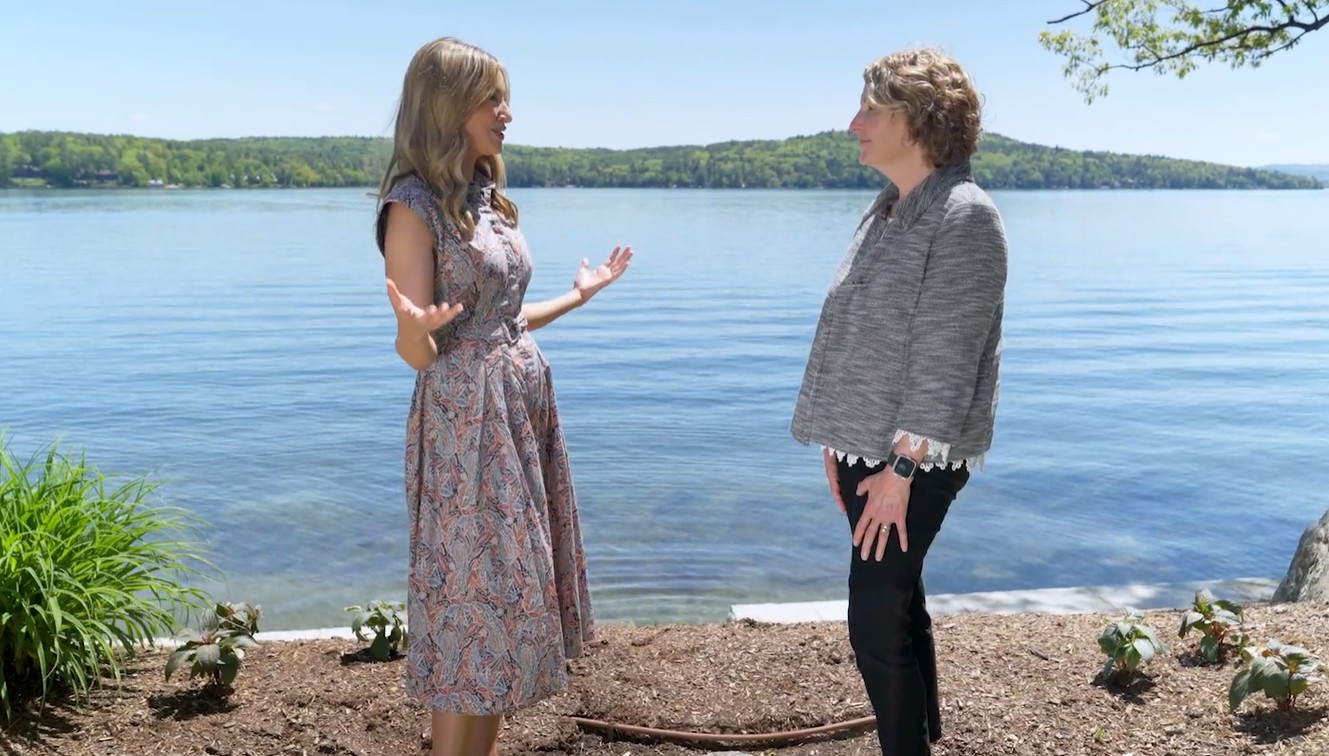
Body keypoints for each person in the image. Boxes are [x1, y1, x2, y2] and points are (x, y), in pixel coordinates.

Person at [374, 37, 632, 756]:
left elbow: (503, 320)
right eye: (492, 98)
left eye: (504, 97)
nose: (506, 112)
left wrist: (578, 297)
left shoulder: (485, 199)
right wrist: (411, 330)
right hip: (466, 424)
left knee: (501, 604)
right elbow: (419, 350)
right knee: (468, 602)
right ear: (447, 105)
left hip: (517, 406)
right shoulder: (412, 207)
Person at [790, 47, 1008, 756]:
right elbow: (854, 332)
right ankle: (921, 740)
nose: (853, 123)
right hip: (871, 449)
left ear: (916, 120)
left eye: (869, 110)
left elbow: (947, 358)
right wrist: (837, 439)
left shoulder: (965, 216)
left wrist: (902, 471)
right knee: (900, 604)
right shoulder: (888, 209)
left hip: (915, 459)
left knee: (874, 623)